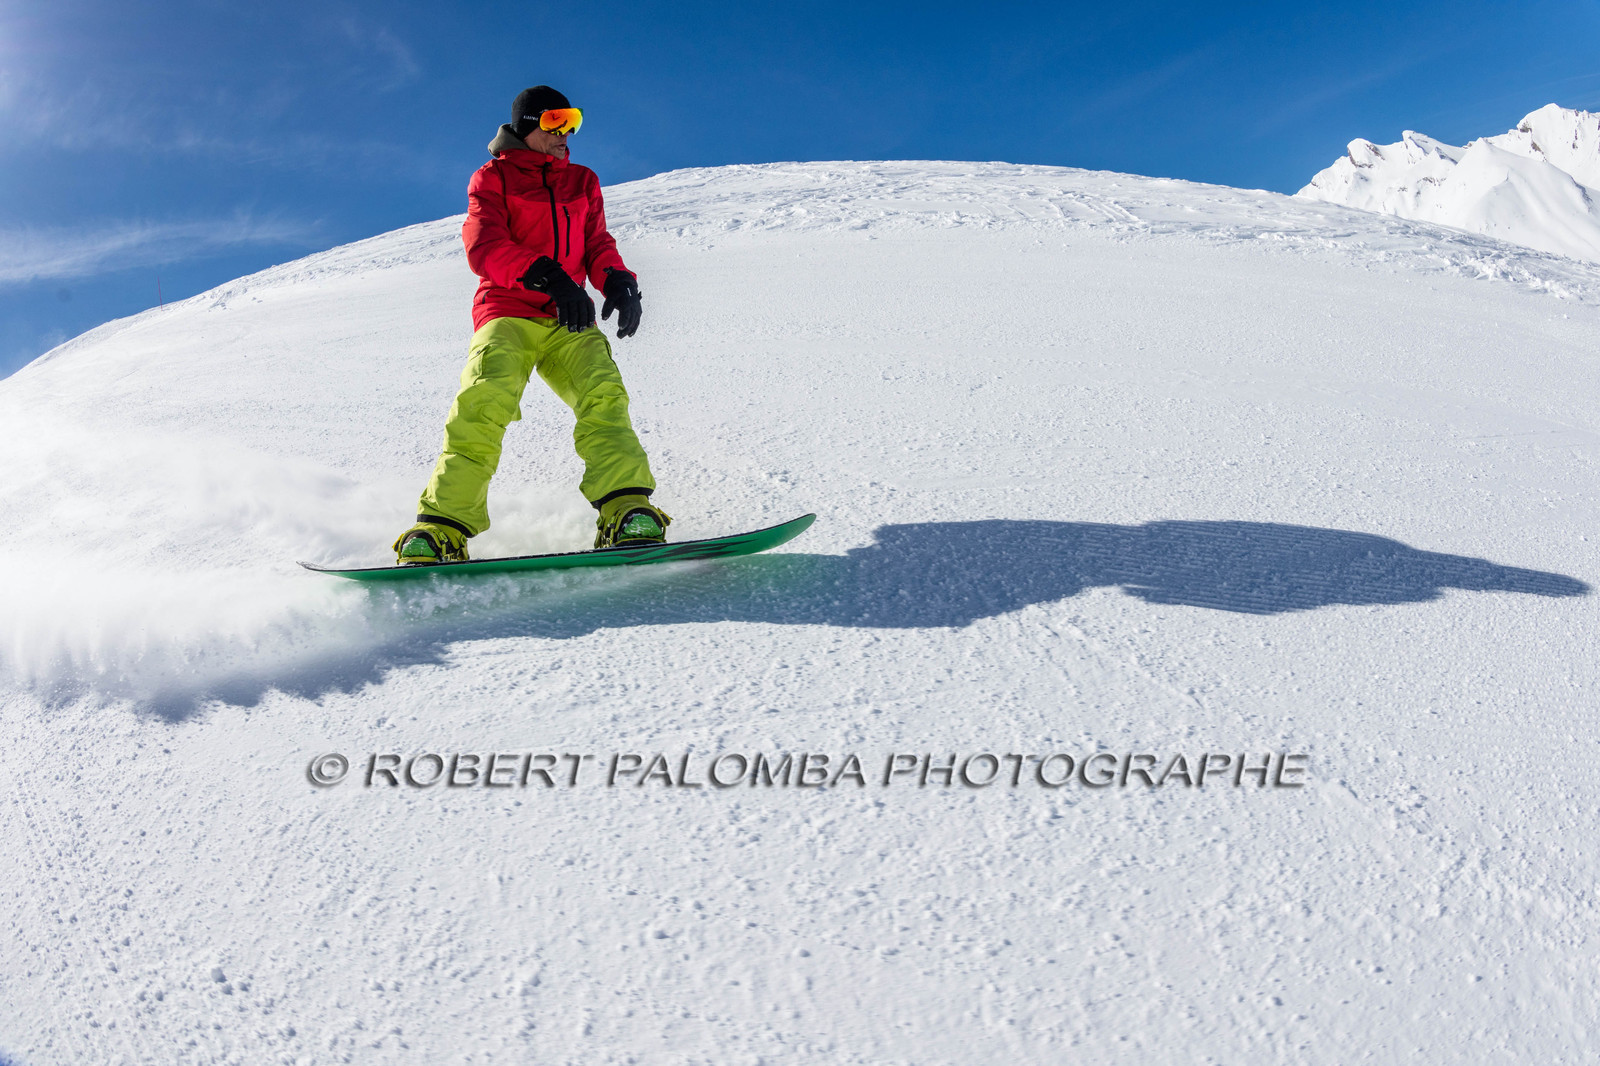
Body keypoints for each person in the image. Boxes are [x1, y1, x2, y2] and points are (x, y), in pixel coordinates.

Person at [393, 85, 669, 565]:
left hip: (569, 316)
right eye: (556, 121)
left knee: (603, 395)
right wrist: (548, 276)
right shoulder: (491, 179)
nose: (567, 133)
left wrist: (618, 281)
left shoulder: (582, 180)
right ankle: (441, 528)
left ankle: (626, 509)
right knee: (484, 401)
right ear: (527, 126)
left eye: (573, 121)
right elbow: (485, 246)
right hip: (508, 309)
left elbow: (597, 242)